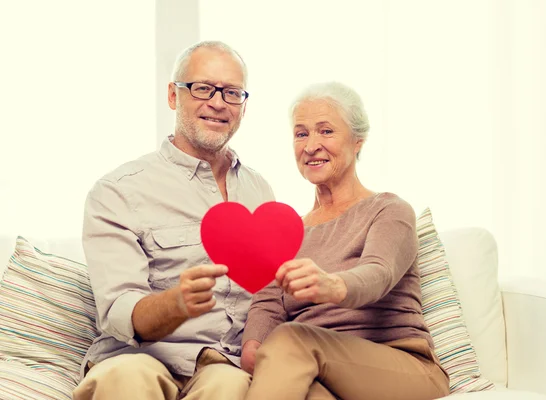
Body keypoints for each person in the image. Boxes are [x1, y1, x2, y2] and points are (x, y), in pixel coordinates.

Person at [73, 41, 274, 400]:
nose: (217, 102)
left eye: (231, 93)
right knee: (126, 378)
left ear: (244, 106)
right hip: (141, 358)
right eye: (202, 88)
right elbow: (119, 310)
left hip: (222, 365)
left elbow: (270, 297)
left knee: (229, 388)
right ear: (172, 95)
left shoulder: (261, 192)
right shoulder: (117, 192)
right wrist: (175, 304)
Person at [240, 82, 450, 400]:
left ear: (357, 143)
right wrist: (253, 347)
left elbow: (378, 273)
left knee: (291, 338)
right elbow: (268, 303)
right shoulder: (288, 232)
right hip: (315, 367)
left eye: (326, 131)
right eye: (301, 133)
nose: (311, 146)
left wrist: (333, 286)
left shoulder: (389, 209)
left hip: (401, 365)